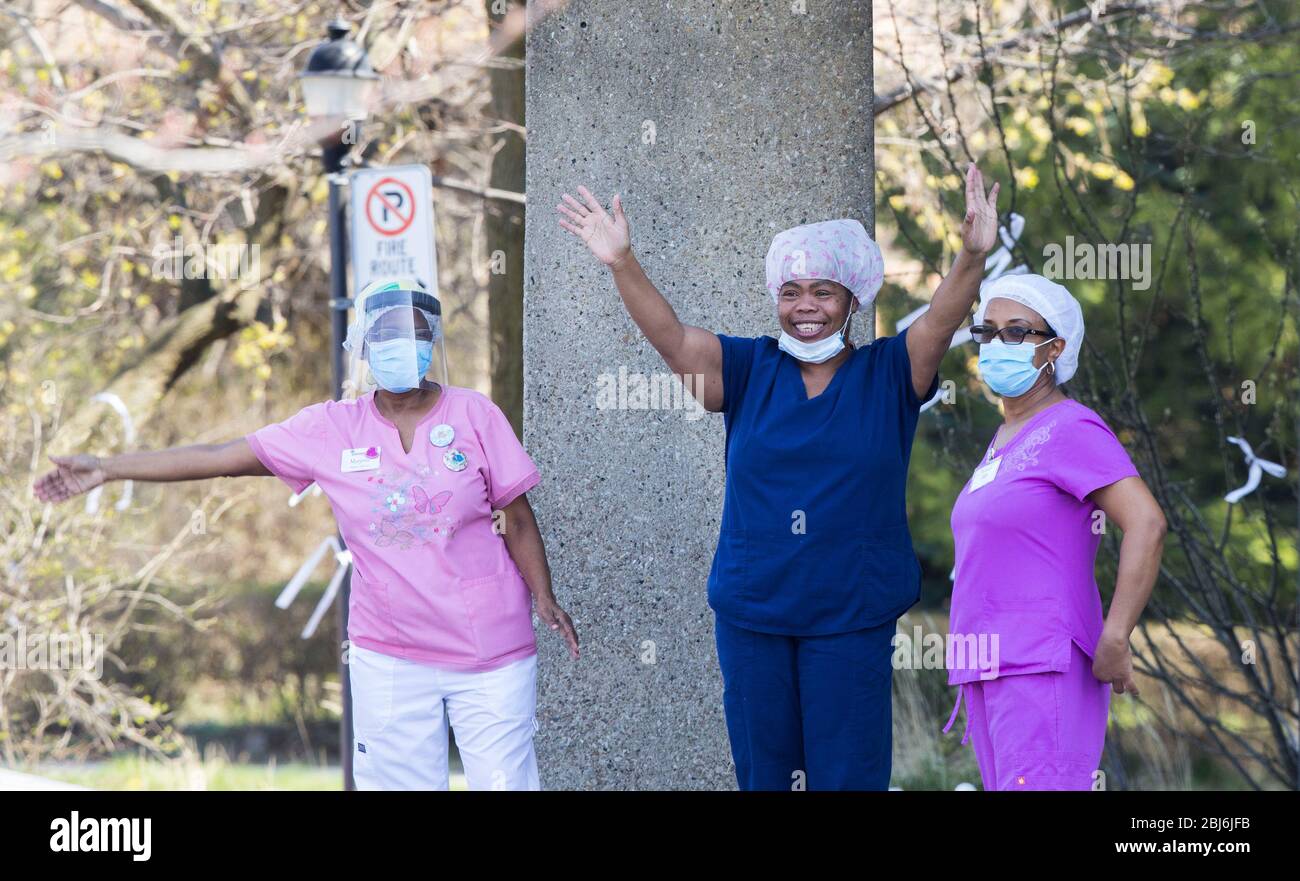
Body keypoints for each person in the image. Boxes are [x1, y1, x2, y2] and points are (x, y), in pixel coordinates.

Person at [32, 277, 579, 791]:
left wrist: (544, 594)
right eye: (385, 333)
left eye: (412, 331)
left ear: (430, 339)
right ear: (363, 344)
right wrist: (107, 467)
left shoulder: (475, 415)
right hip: (390, 657)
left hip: (490, 651)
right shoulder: (330, 428)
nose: (399, 344)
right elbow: (218, 457)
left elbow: (518, 517)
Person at [558, 166, 1002, 790]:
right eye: (791, 292)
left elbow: (941, 319)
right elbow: (672, 339)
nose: (806, 308)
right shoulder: (744, 369)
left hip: (850, 615)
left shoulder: (889, 374)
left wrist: (972, 257)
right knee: (767, 778)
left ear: (853, 300)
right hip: (754, 615)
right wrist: (622, 261)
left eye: (823, 292)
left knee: (846, 778)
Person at [944, 273, 1166, 791]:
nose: (997, 344)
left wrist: (1115, 634)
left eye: (1017, 332)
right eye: (987, 332)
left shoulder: (1070, 426)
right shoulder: (1003, 437)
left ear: (1054, 348)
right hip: (986, 666)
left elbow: (1147, 523)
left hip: (1041, 664)